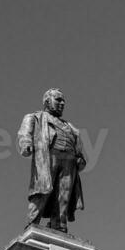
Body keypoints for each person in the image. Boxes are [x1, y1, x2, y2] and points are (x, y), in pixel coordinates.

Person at [18, 88, 87, 233]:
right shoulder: (35, 117)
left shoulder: (70, 126)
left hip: (69, 160)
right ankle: (32, 223)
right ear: (47, 101)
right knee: (42, 191)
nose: (62, 103)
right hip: (48, 156)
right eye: (58, 100)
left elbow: (78, 146)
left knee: (64, 194)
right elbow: (24, 133)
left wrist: (80, 159)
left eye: (63, 101)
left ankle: (59, 226)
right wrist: (26, 143)